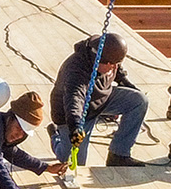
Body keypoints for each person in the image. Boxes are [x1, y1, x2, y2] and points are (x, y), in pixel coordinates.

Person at [49, 32, 149, 168]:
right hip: (73, 115)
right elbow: (74, 100)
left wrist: (126, 83)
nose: (114, 67)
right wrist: (76, 127)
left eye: (117, 63)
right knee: (73, 164)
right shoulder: (75, 70)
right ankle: (55, 136)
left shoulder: (107, 55)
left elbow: (117, 69)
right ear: (98, 59)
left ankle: (119, 154)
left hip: (101, 99)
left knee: (139, 101)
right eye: (111, 64)